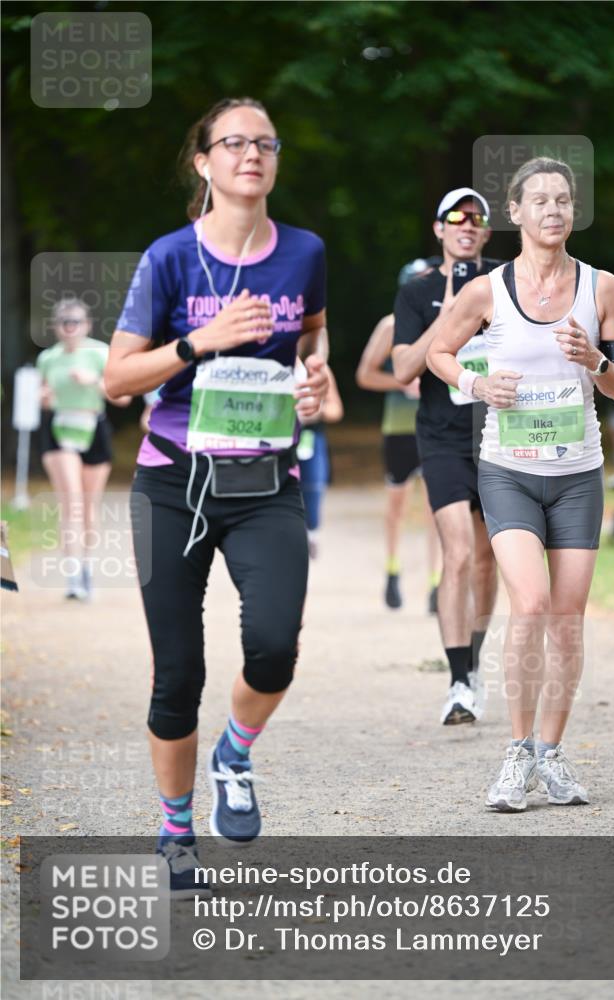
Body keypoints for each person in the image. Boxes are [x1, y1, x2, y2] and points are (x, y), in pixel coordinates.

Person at [105, 97, 329, 896]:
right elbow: (116, 377)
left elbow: (311, 339)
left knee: (274, 646)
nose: (251, 154)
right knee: (178, 672)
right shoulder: (168, 258)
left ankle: (234, 754)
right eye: (233, 143)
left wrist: (314, 382)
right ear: (203, 162)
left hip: (267, 480)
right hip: (172, 482)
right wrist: (199, 340)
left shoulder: (303, 252)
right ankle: (174, 827)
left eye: (265, 143)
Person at [427, 157, 614, 810]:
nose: (552, 210)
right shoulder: (485, 291)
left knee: (568, 620)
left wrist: (595, 360)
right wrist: (475, 383)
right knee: (532, 605)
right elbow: (437, 352)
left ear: (573, 212)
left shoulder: (601, 288)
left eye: (562, 200)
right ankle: (515, 755)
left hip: (578, 476)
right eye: (538, 200)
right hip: (509, 471)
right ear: (513, 213)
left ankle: (550, 751)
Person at [392, 190, 500, 724]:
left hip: (502, 437)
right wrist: (452, 315)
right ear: (438, 230)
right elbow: (403, 369)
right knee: (456, 552)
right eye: (455, 216)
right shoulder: (417, 292)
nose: (466, 224)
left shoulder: (507, 281)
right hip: (442, 438)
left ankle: (473, 662)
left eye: (476, 218)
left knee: (486, 558)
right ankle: (458, 683)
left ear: (485, 233)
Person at [356, 259, 441, 613]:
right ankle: (393, 570)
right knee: (397, 506)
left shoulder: (445, 322)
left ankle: (436, 582)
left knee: (437, 509)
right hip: (400, 427)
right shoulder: (391, 326)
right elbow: (365, 375)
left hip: (437, 426)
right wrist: (400, 381)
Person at [36, 297, 131, 600]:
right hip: (61, 429)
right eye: (64, 322)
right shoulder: (48, 359)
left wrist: (93, 382)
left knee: (89, 505)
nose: (69, 328)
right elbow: (42, 397)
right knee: (71, 502)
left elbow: (123, 398)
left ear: (86, 325)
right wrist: (43, 397)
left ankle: (86, 567)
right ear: (56, 327)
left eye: (75, 322)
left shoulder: (100, 353)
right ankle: (73, 574)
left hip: (93, 428)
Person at [297, 366, 344, 558]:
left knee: (314, 486)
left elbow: (336, 409)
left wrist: (317, 410)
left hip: (309, 436)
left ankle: (311, 534)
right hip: (276, 439)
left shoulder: (316, 368)